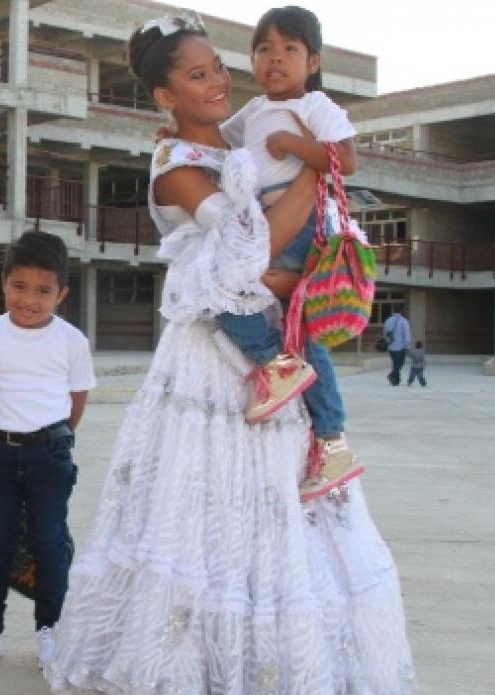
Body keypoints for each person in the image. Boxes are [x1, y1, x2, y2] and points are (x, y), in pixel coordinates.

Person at [44, 16, 415, 695]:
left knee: (276, 499)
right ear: (164, 95)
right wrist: (313, 165)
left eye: (217, 67)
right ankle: (195, 665)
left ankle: (269, 665)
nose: (217, 82)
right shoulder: (178, 166)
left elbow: (269, 246)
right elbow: (252, 246)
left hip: (278, 347)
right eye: (196, 74)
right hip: (214, 362)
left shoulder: (239, 139)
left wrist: (288, 258)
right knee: (206, 504)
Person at [215, 4, 363, 501]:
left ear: (313, 61)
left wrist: (292, 142)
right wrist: (177, 134)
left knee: (226, 289)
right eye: (264, 49)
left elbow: (347, 160)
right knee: (298, 332)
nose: (275, 59)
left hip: (300, 224)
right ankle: (330, 439)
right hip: (262, 222)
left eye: (289, 49)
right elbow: (219, 139)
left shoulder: (315, 108)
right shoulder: (253, 110)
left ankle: (277, 367)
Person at [0, 230, 96, 670]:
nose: (29, 300)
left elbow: (77, 401)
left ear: (61, 294)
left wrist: (52, 437)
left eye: (42, 291)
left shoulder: (72, 341)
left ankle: (50, 630)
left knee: (49, 541)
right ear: (4, 284)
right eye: (19, 287)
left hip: (49, 455)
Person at [384, 310, 412, 385]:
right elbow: (407, 335)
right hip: (400, 347)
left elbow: (385, 334)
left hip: (390, 347)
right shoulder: (404, 321)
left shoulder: (388, 320)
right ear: (401, 311)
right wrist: (407, 346)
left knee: (395, 363)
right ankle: (392, 375)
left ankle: (396, 381)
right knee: (401, 363)